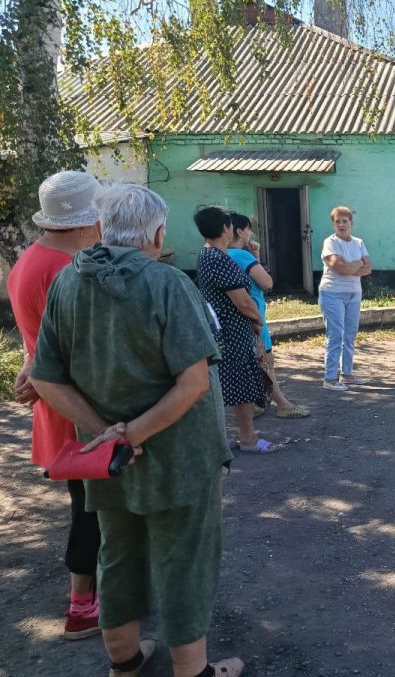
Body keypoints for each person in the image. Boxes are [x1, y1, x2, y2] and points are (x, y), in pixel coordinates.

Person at [30, 184, 243, 677]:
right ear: (158, 232)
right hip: (178, 458)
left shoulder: (68, 283)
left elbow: (44, 376)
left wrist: (106, 434)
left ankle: (123, 663)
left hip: (105, 462)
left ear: (102, 228)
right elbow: (192, 383)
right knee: (184, 559)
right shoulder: (168, 284)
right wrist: (134, 434)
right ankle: (193, 671)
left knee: (117, 554)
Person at [7, 171, 103, 640]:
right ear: (88, 223)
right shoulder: (67, 270)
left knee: (89, 507)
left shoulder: (31, 260)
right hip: (79, 412)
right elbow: (79, 351)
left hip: (57, 406)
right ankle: (83, 606)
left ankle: (97, 592)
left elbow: (39, 344)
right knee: (92, 511)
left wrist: (31, 371)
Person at [194, 206, 277, 453]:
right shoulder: (219, 259)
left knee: (224, 384)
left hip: (221, 329)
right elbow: (242, 300)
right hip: (233, 331)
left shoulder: (206, 255)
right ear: (226, 228)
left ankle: (225, 437)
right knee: (239, 384)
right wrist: (257, 320)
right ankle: (248, 438)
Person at [227, 213, 309, 418]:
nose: (251, 233)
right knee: (266, 362)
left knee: (250, 363)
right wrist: (254, 258)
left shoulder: (221, 255)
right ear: (239, 231)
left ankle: (256, 403)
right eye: (248, 228)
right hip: (254, 316)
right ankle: (283, 405)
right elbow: (267, 283)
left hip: (234, 318)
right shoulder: (242, 256)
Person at [318, 206, 372, 391]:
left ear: (351, 223)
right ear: (333, 224)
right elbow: (341, 268)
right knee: (336, 336)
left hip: (354, 293)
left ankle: (346, 374)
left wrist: (351, 266)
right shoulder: (330, 242)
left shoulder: (358, 242)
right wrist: (357, 264)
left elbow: (369, 268)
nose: (341, 224)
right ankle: (330, 379)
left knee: (349, 335)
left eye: (344, 221)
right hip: (332, 294)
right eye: (337, 221)